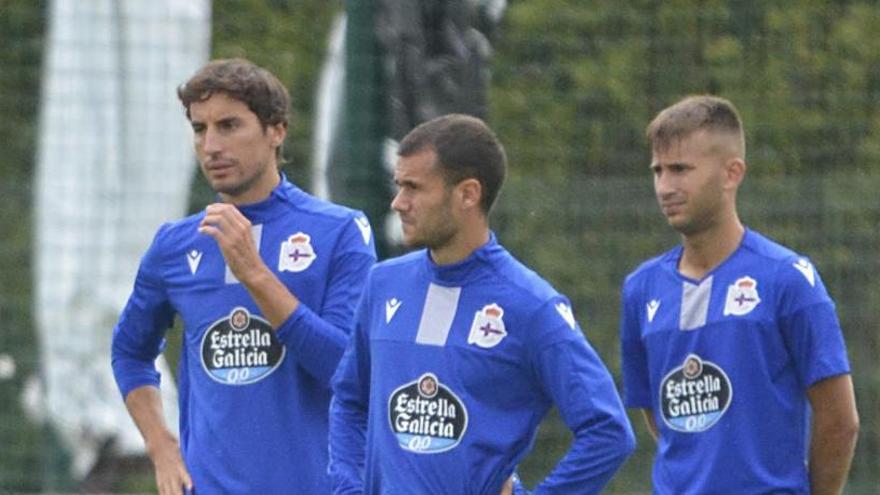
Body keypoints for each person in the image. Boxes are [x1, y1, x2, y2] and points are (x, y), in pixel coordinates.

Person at [328, 113, 635, 494]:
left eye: (413, 188)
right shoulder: (384, 283)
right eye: (398, 186)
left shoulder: (530, 305)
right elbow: (349, 401)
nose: (398, 203)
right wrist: (347, 488)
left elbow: (608, 432)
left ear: (468, 194)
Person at [111, 58, 377, 494]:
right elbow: (129, 351)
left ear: (276, 131)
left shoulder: (340, 232)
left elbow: (348, 370)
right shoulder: (176, 245)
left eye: (229, 125)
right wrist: (161, 447)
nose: (211, 145)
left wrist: (254, 273)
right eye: (200, 129)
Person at [620, 95, 859, 494]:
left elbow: (840, 421)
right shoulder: (641, 289)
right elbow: (660, 416)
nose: (665, 187)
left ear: (732, 173)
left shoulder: (787, 280)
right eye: (658, 171)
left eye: (680, 169)